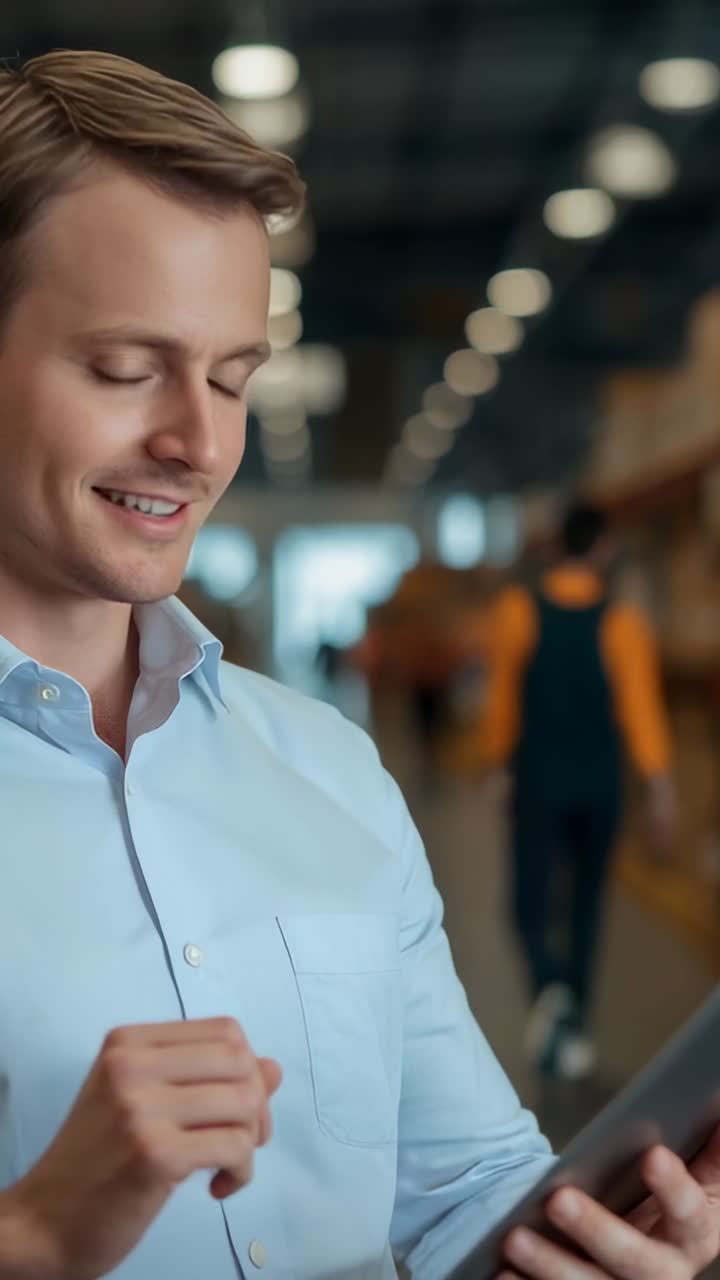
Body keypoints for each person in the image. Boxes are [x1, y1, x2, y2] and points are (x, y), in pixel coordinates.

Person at [0, 49, 715, 1280]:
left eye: (233, 378)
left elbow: (462, 1190)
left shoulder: (328, 769)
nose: (199, 440)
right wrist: (32, 1239)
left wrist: (609, 1237)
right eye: (126, 369)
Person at [480, 503, 676, 1081]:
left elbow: (502, 703)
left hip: (539, 782)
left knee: (527, 908)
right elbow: (641, 710)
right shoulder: (623, 624)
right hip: (599, 786)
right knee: (587, 908)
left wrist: (496, 765)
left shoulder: (518, 612)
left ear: (557, 545)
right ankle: (576, 1024)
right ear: (603, 549)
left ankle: (552, 991)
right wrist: (660, 786)